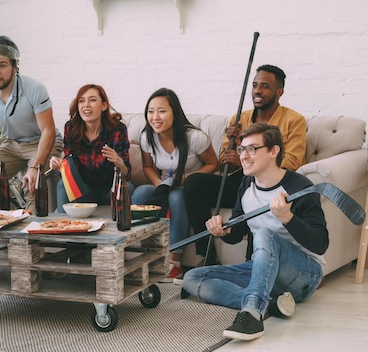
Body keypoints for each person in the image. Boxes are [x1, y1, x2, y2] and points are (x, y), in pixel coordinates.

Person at [182, 123, 328, 341]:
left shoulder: (299, 188)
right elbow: (237, 230)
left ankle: (251, 315)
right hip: (264, 269)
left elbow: (320, 243)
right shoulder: (246, 185)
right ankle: (271, 303)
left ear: (273, 151)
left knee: (265, 234)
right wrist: (222, 229)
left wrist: (287, 218)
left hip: (304, 274)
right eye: (242, 149)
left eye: (252, 149)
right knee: (193, 278)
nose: (244, 156)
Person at [183, 64, 308, 263]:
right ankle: (207, 255)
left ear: (279, 92)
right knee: (194, 183)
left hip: (269, 185)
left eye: (265, 86)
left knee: (258, 197)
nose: (258, 90)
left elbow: (293, 161)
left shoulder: (294, 121)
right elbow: (226, 161)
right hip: (239, 183)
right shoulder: (239, 119)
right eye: (255, 85)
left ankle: (254, 261)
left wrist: (250, 161)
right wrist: (232, 156)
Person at [0, 35, 63, 213]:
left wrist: (35, 167)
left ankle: (31, 239)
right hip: (10, 143)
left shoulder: (34, 89)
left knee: (32, 185)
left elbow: (48, 130)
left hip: (40, 141)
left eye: (2, 65)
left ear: (14, 67)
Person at [131, 88, 219, 281]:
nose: (155, 117)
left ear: (174, 112)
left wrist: (187, 179)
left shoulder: (195, 137)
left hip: (188, 186)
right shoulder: (148, 137)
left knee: (177, 196)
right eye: (151, 111)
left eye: (161, 111)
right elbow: (148, 167)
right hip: (163, 183)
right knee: (139, 194)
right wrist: (159, 184)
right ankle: (146, 253)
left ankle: (175, 261)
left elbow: (213, 164)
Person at [48, 84, 133, 212]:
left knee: (128, 187)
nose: (86, 105)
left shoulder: (117, 129)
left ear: (104, 105)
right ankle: (63, 228)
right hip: (82, 190)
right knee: (62, 185)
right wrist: (59, 164)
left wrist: (119, 161)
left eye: (92, 100)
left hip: (109, 190)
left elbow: (126, 173)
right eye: (81, 101)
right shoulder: (71, 128)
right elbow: (69, 164)